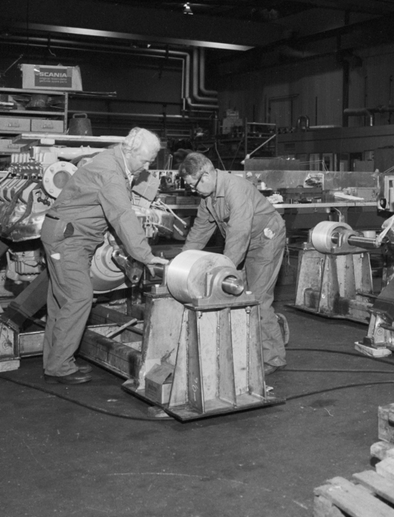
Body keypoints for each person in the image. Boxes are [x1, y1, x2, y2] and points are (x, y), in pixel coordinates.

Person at [40, 128, 167, 383]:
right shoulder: (111, 173)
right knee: (78, 298)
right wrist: (145, 255)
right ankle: (59, 367)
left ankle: (57, 362)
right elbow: (122, 215)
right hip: (69, 240)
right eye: (145, 160)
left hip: (68, 235)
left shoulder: (112, 160)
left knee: (61, 302)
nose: (147, 167)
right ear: (130, 151)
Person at [179, 152, 287, 373]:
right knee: (238, 295)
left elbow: (239, 233)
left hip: (266, 240)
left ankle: (273, 357)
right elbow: (199, 232)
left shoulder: (235, 189)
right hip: (246, 241)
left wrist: (223, 270)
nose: (193, 190)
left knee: (257, 298)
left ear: (206, 175)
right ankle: (255, 341)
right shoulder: (208, 198)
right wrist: (181, 263)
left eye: (193, 185)